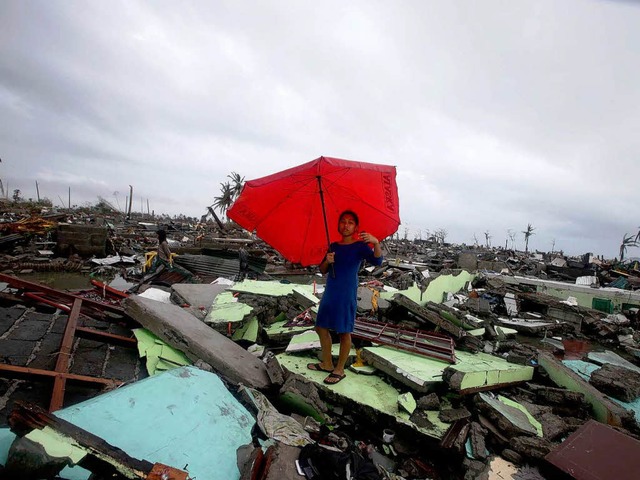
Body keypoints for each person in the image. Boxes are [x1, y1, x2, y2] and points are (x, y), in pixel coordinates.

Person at [308, 210, 383, 385]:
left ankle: (339, 369)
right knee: (321, 327)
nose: (346, 225)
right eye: (343, 222)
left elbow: (377, 262)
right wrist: (328, 259)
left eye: (350, 222)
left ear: (355, 227)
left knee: (344, 331)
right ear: (338, 226)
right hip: (331, 291)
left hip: (346, 292)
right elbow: (323, 270)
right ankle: (327, 363)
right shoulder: (333, 246)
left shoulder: (360, 247)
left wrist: (376, 243)